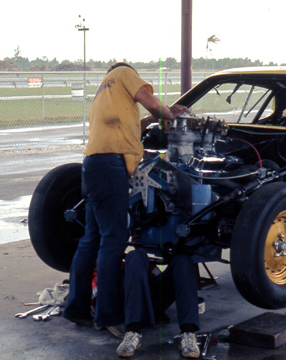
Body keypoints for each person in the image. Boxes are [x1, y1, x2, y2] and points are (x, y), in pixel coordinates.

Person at [62, 63, 187, 338]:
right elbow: (151, 102)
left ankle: (76, 308)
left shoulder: (104, 91)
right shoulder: (123, 74)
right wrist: (170, 116)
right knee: (114, 240)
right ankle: (108, 315)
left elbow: (127, 124)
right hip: (109, 167)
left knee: (91, 239)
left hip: (93, 166)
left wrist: (147, 123)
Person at [116, 249, 201, 358]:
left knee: (183, 259)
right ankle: (132, 331)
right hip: (136, 291)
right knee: (134, 256)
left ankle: (188, 332)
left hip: (157, 291)